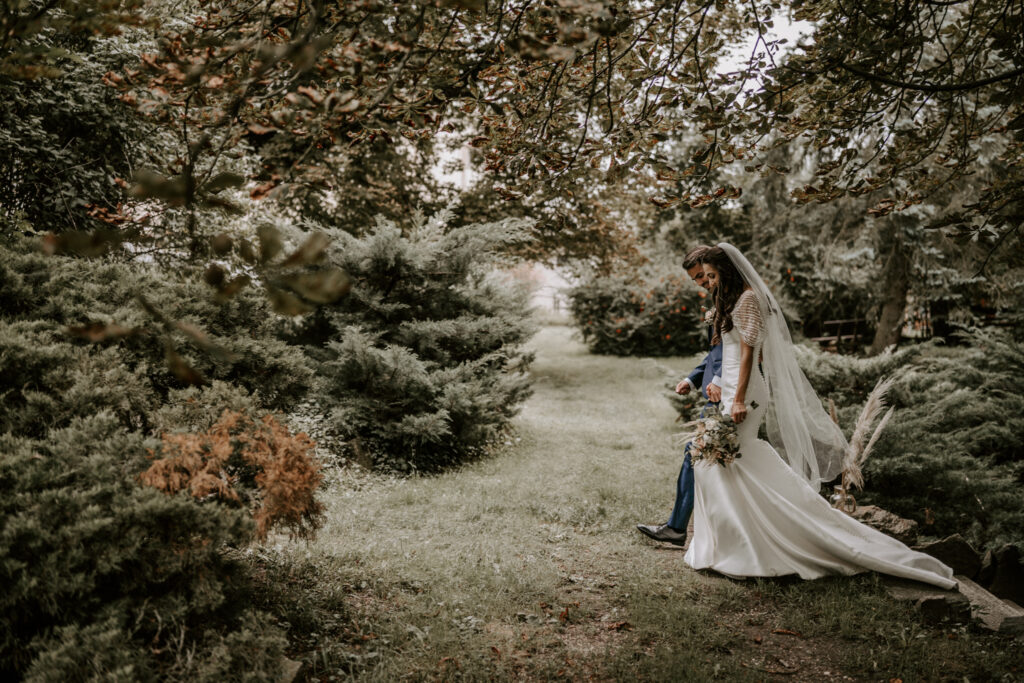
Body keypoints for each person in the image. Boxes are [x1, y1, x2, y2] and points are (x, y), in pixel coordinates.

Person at [684, 244, 955, 589]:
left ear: (727, 270)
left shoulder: (749, 298)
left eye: (711, 275)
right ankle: (736, 542)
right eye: (705, 277)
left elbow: (752, 355)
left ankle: (757, 542)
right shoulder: (732, 300)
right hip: (731, 386)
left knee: (719, 460)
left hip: (746, 392)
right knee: (723, 461)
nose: (708, 282)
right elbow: (731, 352)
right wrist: (719, 382)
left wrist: (738, 398)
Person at [636, 245, 722, 547]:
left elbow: (739, 352)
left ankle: (678, 527)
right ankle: (679, 527)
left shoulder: (736, 302)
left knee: (696, 454)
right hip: (717, 391)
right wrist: (692, 377)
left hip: (728, 394)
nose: (702, 283)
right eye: (697, 278)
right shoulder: (719, 301)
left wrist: (720, 381)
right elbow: (716, 352)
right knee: (700, 456)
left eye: (704, 275)